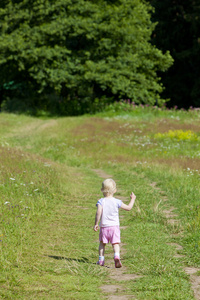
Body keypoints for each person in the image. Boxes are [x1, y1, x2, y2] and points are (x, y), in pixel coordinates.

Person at [94, 178, 136, 268]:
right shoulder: (117, 201)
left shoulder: (101, 201)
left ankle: (101, 259)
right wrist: (132, 199)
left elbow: (98, 212)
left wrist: (96, 223)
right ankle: (116, 255)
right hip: (114, 227)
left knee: (102, 243)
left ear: (102, 190)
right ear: (115, 190)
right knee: (115, 244)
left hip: (104, 227)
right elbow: (128, 208)